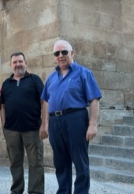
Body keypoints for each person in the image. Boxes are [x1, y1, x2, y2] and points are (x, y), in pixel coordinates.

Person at [40, 40, 101, 194]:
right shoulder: (51, 78)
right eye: (57, 53)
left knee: (80, 162)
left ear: (72, 53)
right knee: (60, 163)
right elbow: (46, 101)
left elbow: (94, 99)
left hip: (76, 119)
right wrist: (45, 124)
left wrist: (92, 124)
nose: (60, 56)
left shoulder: (84, 73)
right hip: (55, 122)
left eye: (64, 52)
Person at [0, 52, 45, 194]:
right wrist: (4, 125)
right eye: (15, 62)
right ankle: (16, 191)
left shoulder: (34, 79)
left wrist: (44, 124)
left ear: (26, 62)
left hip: (32, 130)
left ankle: (35, 192)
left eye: (20, 61)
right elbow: (2, 105)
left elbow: (44, 102)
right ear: (10, 65)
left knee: (36, 163)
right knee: (15, 163)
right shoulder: (6, 83)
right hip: (11, 131)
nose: (18, 64)